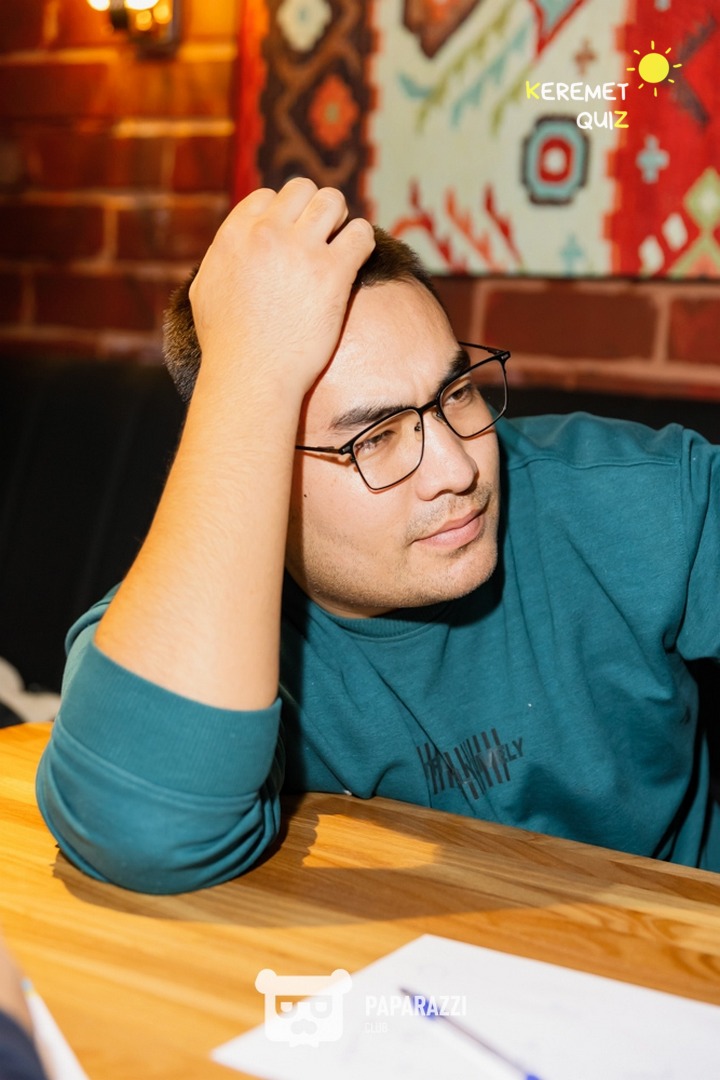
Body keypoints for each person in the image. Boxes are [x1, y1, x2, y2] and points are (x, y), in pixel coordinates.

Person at [36, 179, 720, 895]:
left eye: (457, 393)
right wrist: (250, 376)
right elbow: (139, 831)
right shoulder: (202, 627)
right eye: (375, 437)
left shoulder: (632, 492)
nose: (457, 469)